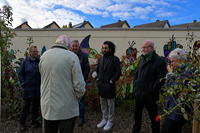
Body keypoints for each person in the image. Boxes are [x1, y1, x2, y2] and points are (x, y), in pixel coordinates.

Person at [39, 35, 85, 133]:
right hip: (67, 108)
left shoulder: (44, 56)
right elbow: (79, 85)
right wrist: (76, 98)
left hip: (48, 106)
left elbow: (41, 77)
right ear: (68, 45)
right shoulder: (72, 56)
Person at [132, 40, 167, 133]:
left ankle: (156, 131)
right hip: (139, 93)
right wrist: (135, 84)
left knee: (154, 116)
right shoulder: (142, 58)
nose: (143, 49)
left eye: (145, 47)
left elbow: (162, 78)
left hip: (150, 95)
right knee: (137, 115)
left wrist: (151, 89)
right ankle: (135, 130)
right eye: (142, 47)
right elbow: (137, 72)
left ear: (151, 48)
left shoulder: (159, 61)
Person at [92, 41, 121, 131]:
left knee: (110, 104)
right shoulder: (100, 59)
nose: (104, 50)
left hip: (109, 85)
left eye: (106, 48)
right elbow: (97, 68)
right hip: (101, 85)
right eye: (103, 48)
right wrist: (95, 72)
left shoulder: (115, 59)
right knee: (103, 103)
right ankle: (104, 119)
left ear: (110, 49)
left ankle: (110, 121)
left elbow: (118, 72)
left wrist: (112, 80)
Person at [161, 48, 191, 133]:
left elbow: (174, 88)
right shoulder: (179, 70)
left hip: (177, 112)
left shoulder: (187, 71)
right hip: (172, 110)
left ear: (180, 60)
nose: (171, 64)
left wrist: (170, 74)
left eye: (172, 61)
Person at [18, 45, 41, 131]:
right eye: (34, 51)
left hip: (37, 88)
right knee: (25, 107)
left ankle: (34, 122)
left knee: (35, 106)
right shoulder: (25, 62)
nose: (36, 53)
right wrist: (23, 83)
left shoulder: (39, 61)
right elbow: (20, 74)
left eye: (36, 51)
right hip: (28, 88)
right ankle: (22, 124)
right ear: (30, 52)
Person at [71, 40, 90, 126]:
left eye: (76, 46)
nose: (75, 47)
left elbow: (87, 68)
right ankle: (71, 117)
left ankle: (81, 118)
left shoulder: (84, 56)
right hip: (70, 82)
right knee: (70, 100)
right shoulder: (68, 55)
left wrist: (83, 79)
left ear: (79, 47)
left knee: (81, 101)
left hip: (80, 82)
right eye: (73, 46)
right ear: (71, 47)